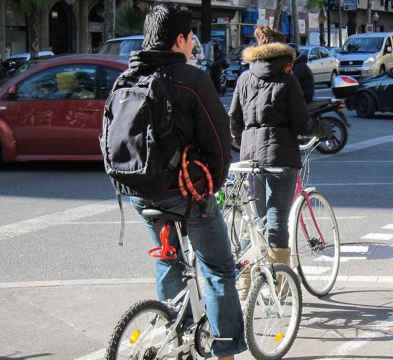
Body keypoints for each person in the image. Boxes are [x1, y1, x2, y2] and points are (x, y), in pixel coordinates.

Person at [118, 5, 246, 359]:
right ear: (179, 39)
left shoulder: (126, 78)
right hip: (187, 195)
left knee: (167, 261)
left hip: (140, 192)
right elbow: (219, 146)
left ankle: (179, 338)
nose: (192, 45)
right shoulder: (190, 79)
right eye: (190, 38)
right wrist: (210, 187)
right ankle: (226, 352)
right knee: (218, 269)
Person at [228, 26, 313, 299]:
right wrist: (312, 130)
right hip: (281, 156)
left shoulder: (244, 78)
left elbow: (234, 118)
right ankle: (279, 283)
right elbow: (301, 122)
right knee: (277, 216)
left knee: (253, 218)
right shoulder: (288, 81)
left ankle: (245, 281)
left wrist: (242, 142)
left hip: (249, 155)